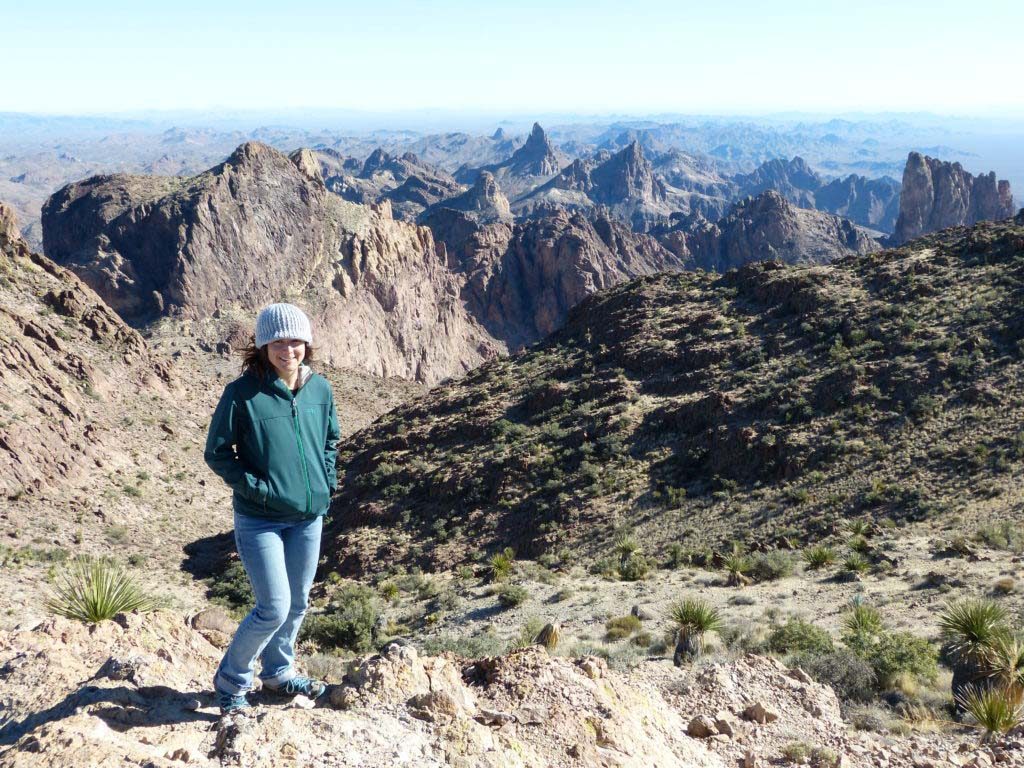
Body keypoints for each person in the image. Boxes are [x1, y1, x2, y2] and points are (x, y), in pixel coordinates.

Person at [204, 303, 340, 715]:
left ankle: (278, 672)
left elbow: (330, 441)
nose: (288, 349)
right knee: (274, 606)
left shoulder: (321, 390)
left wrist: (325, 481)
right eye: (277, 341)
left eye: (295, 340)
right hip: (259, 518)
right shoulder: (242, 394)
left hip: (307, 516)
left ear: (307, 343)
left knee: (298, 602)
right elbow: (217, 452)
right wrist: (258, 489)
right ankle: (231, 682)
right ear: (263, 346)